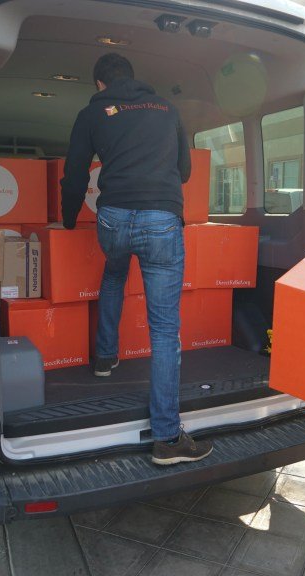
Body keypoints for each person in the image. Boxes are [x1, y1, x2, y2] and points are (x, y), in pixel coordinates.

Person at [60, 52, 212, 466]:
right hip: (161, 220)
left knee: (113, 272)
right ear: (133, 78)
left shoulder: (93, 113)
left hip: (113, 220)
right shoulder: (167, 109)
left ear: (100, 85)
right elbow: (183, 170)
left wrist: (69, 220)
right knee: (164, 330)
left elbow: (74, 171)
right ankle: (167, 437)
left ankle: (106, 357)